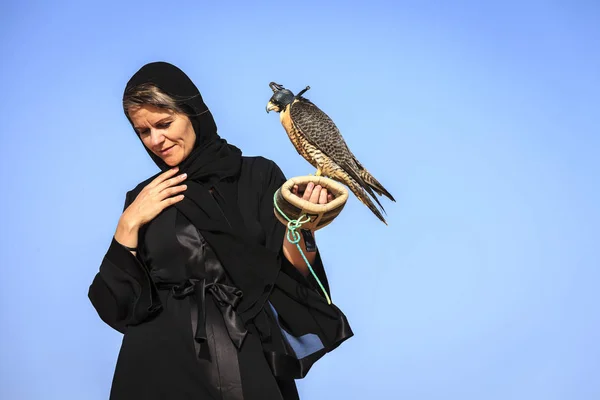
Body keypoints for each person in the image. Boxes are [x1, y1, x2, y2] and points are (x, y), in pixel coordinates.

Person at [88, 61, 352, 400]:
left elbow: (291, 275)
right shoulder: (144, 198)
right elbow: (117, 306)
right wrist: (128, 224)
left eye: (164, 123)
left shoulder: (258, 176)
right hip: (157, 367)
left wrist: (304, 226)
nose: (156, 140)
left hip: (245, 352)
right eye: (143, 131)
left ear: (193, 112)